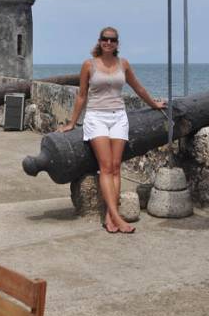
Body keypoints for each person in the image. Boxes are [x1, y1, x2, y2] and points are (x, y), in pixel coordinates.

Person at [58, 27, 166, 234]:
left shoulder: (123, 64)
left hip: (118, 117)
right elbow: (82, 95)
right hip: (96, 117)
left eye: (112, 40)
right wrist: (72, 123)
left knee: (116, 167)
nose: (108, 42)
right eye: (105, 39)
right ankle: (117, 216)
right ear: (99, 41)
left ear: (117, 43)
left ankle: (109, 217)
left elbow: (138, 88)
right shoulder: (89, 65)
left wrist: (153, 104)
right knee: (106, 167)